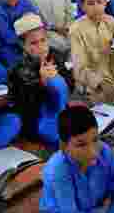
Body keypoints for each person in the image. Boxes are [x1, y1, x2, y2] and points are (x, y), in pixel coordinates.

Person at [9, 13, 73, 148]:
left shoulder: (55, 55)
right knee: (67, 141)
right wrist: (42, 83)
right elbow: (27, 107)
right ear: (23, 45)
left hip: (60, 111)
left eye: (43, 40)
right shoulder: (18, 70)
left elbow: (70, 84)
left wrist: (59, 78)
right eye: (33, 43)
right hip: (38, 119)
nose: (41, 46)